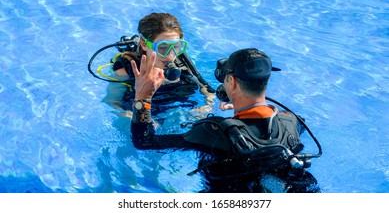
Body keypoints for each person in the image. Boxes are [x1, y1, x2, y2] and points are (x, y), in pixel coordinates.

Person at [128, 48, 322, 193]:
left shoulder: (213, 132)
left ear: (232, 82)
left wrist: (143, 99)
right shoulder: (293, 121)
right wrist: (249, 110)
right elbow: (274, 122)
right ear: (267, 81)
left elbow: (144, 142)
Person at [88, 13, 215, 117]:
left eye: (176, 46)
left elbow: (206, 89)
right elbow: (111, 102)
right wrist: (132, 116)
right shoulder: (126, 70)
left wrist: (208, 105)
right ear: (144, 44)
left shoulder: (182, 61)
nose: (170, 55)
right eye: (162, 47)